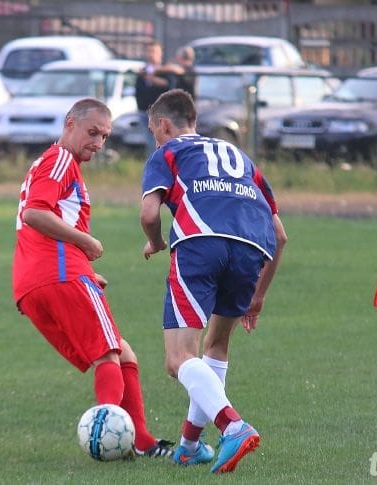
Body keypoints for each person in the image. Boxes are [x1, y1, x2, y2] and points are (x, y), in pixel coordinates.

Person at [11, 97, 174, 457]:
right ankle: (105, 438)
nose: (98, 143)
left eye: (104, 137)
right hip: (59, 274)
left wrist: (84, 270)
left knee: (122, 351)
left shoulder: (54, 164)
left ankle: (142, 441)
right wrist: (86, 243)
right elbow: (35, 214)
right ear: (70, 123)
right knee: (108, 356)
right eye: (93, 132)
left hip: (40, 279)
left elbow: (42, 221)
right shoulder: (60, 161)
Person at [139, 89, 287, 473]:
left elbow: (149, 213)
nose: (155, 139)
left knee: (178, 359)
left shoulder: (168, 153)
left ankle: (232, 426)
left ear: (164, 125)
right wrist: (258, 296)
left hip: (200, 242)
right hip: (252, 247)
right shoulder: (240, 157)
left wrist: (155, 242)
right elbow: (281, 235)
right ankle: (189, 445)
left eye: (155, 132)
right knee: (216, 344)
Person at [135, 40, 175, 156]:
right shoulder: (143, 72)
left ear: (160, 53)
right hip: (145, 112)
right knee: (150, 143)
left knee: (163, 141)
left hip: (162, 114)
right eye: (149, 51)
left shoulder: (166, 71)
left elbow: (170, 87)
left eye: (154, 51)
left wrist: (155, 80)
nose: (151, 54)